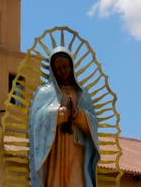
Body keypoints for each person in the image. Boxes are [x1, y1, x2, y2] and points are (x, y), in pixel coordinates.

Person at [29, 47, 100, 187]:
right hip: (54, 148)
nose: (62, 71)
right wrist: (57, 114)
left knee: (77, 180)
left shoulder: (82, 94)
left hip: (77, 148)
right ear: (52, 70)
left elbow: (94, 123)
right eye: (58, 68)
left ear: (72, 67)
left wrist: (78, 115)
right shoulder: (44, 92)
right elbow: (36, 119)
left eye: (65, 67)